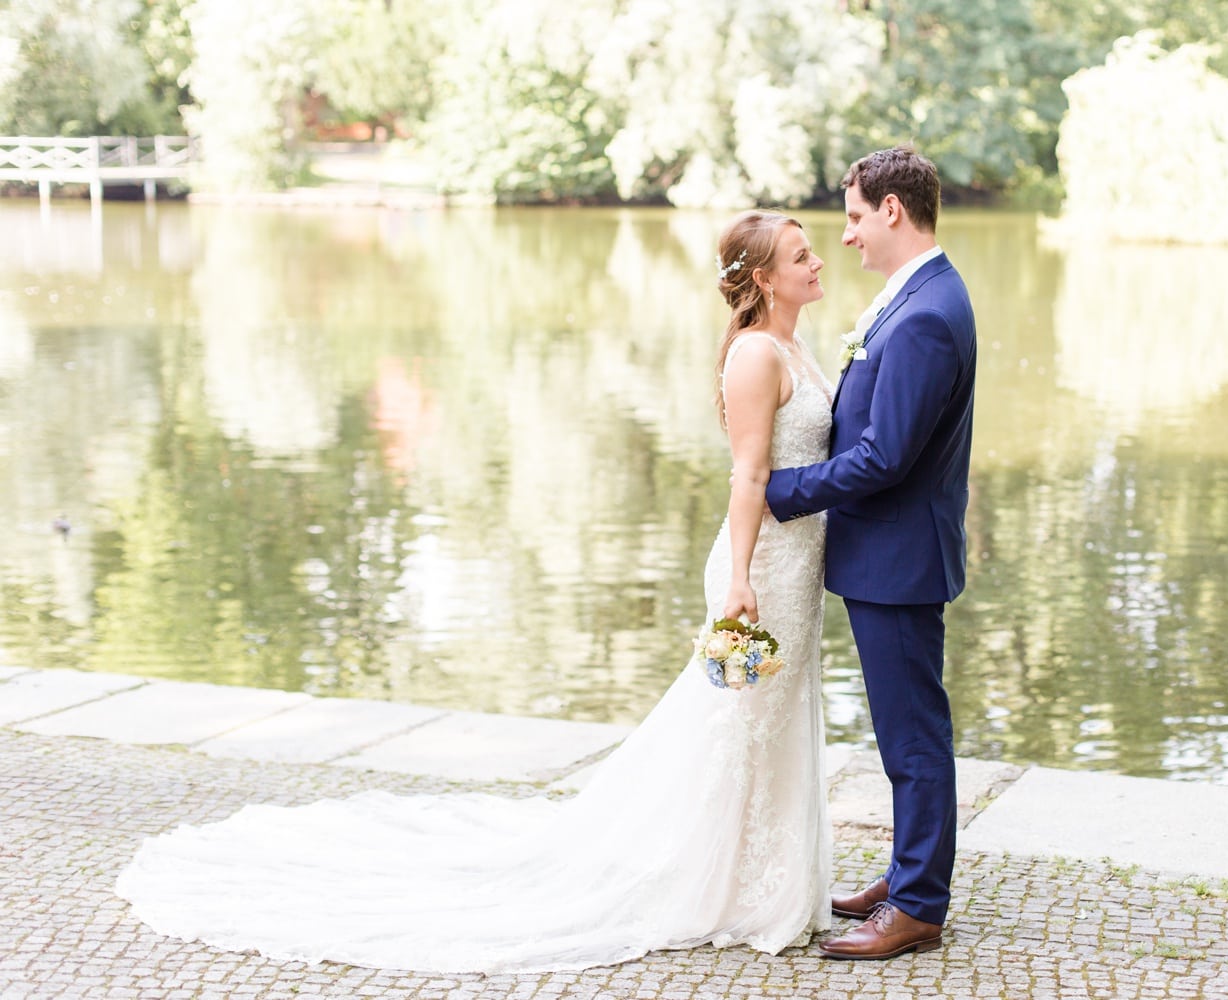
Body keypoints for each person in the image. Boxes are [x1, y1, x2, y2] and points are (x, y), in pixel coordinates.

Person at [114, 210, 837, 975]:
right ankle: (720, 886)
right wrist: (735, 581)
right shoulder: (756, 355)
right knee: (737, 728)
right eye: (801, 254)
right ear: (763, 278)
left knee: (766, 724)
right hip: (758, 572)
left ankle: (764, 881)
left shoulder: (795, 343)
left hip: (793, 567)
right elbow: (748, 474)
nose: (818, 260)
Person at [765, 146, 977, 961]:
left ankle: (919, 902)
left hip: (899, 559)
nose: (846, 236)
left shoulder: (925, 313)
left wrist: (784, 492)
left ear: (893, 210)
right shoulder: (917, 296)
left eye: (854, 216)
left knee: (913, 734)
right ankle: (905, 872)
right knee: (904, 731)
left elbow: (886, 456)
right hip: (889, 554)